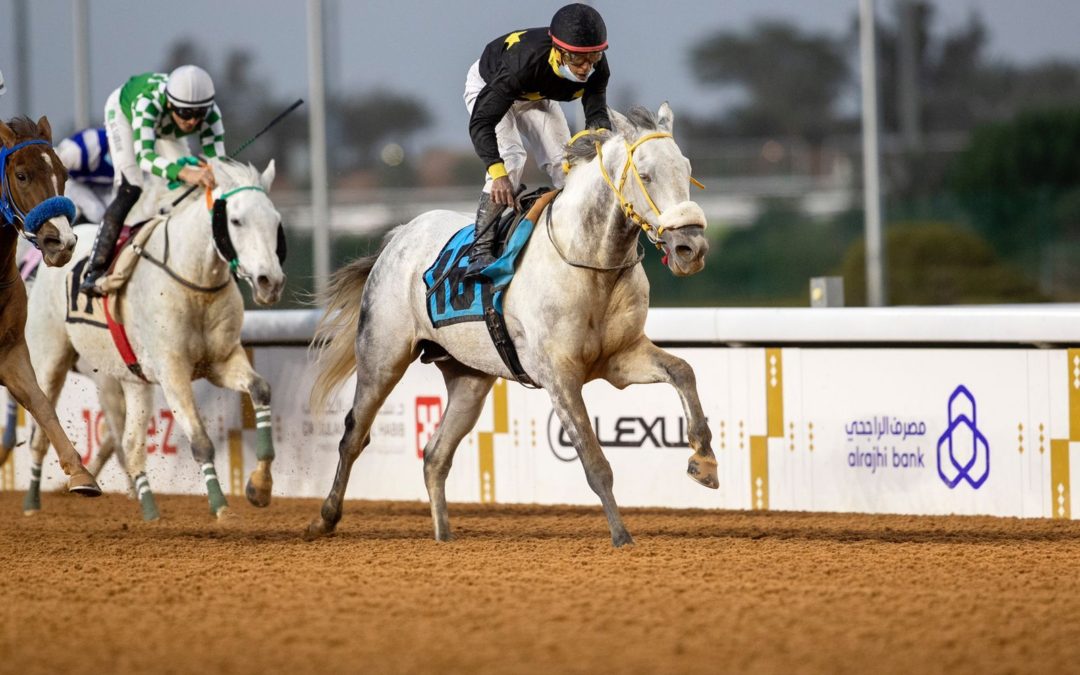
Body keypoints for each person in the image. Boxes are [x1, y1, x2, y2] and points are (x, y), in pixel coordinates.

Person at [462, 3, 611, 280]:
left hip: (535, 94)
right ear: (557, 50)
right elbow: (482, 122)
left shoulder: (597, 69)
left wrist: (602, 148)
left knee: (568, 166)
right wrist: (498, 173)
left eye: (593, 57)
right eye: (578, 59)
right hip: (491, 85)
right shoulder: (522, 64)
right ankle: (479, 250)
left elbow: (596, 116)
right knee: (512, 159)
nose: (585, 68)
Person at [80, 65, 224, 296]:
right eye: (185, 113)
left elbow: (218, 164)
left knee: (197, 188)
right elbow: (145, 157)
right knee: (131, 188)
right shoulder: (148, 104)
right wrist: (187, 172)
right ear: (170, 103)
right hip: (125, 114)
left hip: (165, 128)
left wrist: (212, 172)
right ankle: (95, 270)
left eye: (200, 114)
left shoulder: (211, 115)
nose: (192, 122)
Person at [54, 127, 114, 224]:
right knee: (96, 212)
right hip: (72, 181)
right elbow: (53, 164)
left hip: (97, 184)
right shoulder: (80, 150)